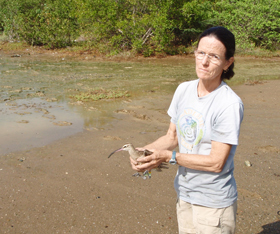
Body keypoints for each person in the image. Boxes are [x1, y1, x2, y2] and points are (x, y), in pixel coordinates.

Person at [130, 26, 244, 234]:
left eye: (214, 56)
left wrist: (168, 157)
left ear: (228, 62)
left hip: (213, 203)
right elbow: (171, 136)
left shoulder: (229, 104)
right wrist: (143, 152)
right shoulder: (183, 90)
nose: (204, 61)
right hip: (184, 193)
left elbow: (216, 163)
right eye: (200, 53)